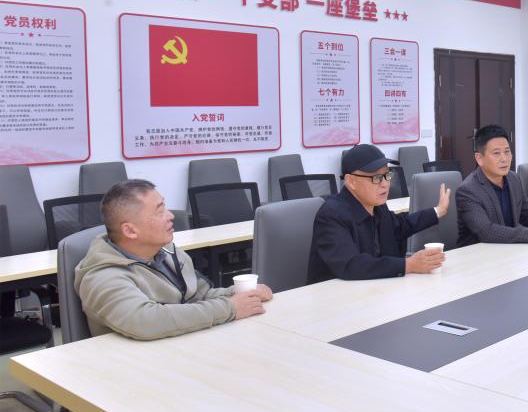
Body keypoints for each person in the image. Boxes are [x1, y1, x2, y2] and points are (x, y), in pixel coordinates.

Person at [75, 179, 272, 341]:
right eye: (159, 211)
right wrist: (229, 308)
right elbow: (145, 321)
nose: (170, 216)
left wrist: (240, 294)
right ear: (130, 230)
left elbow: (198, 296)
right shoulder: (102, 276)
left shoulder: (167, 251)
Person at [308, 143, 450, 282]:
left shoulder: (378, 206)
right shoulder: (331, 215)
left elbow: (402, 225)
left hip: (377, 289)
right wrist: (409, 265)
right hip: (335, 294)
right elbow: (351, 265)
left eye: (387, 175)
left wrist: (437, 211)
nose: (385, 184)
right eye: (376, 178)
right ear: (351, 181)